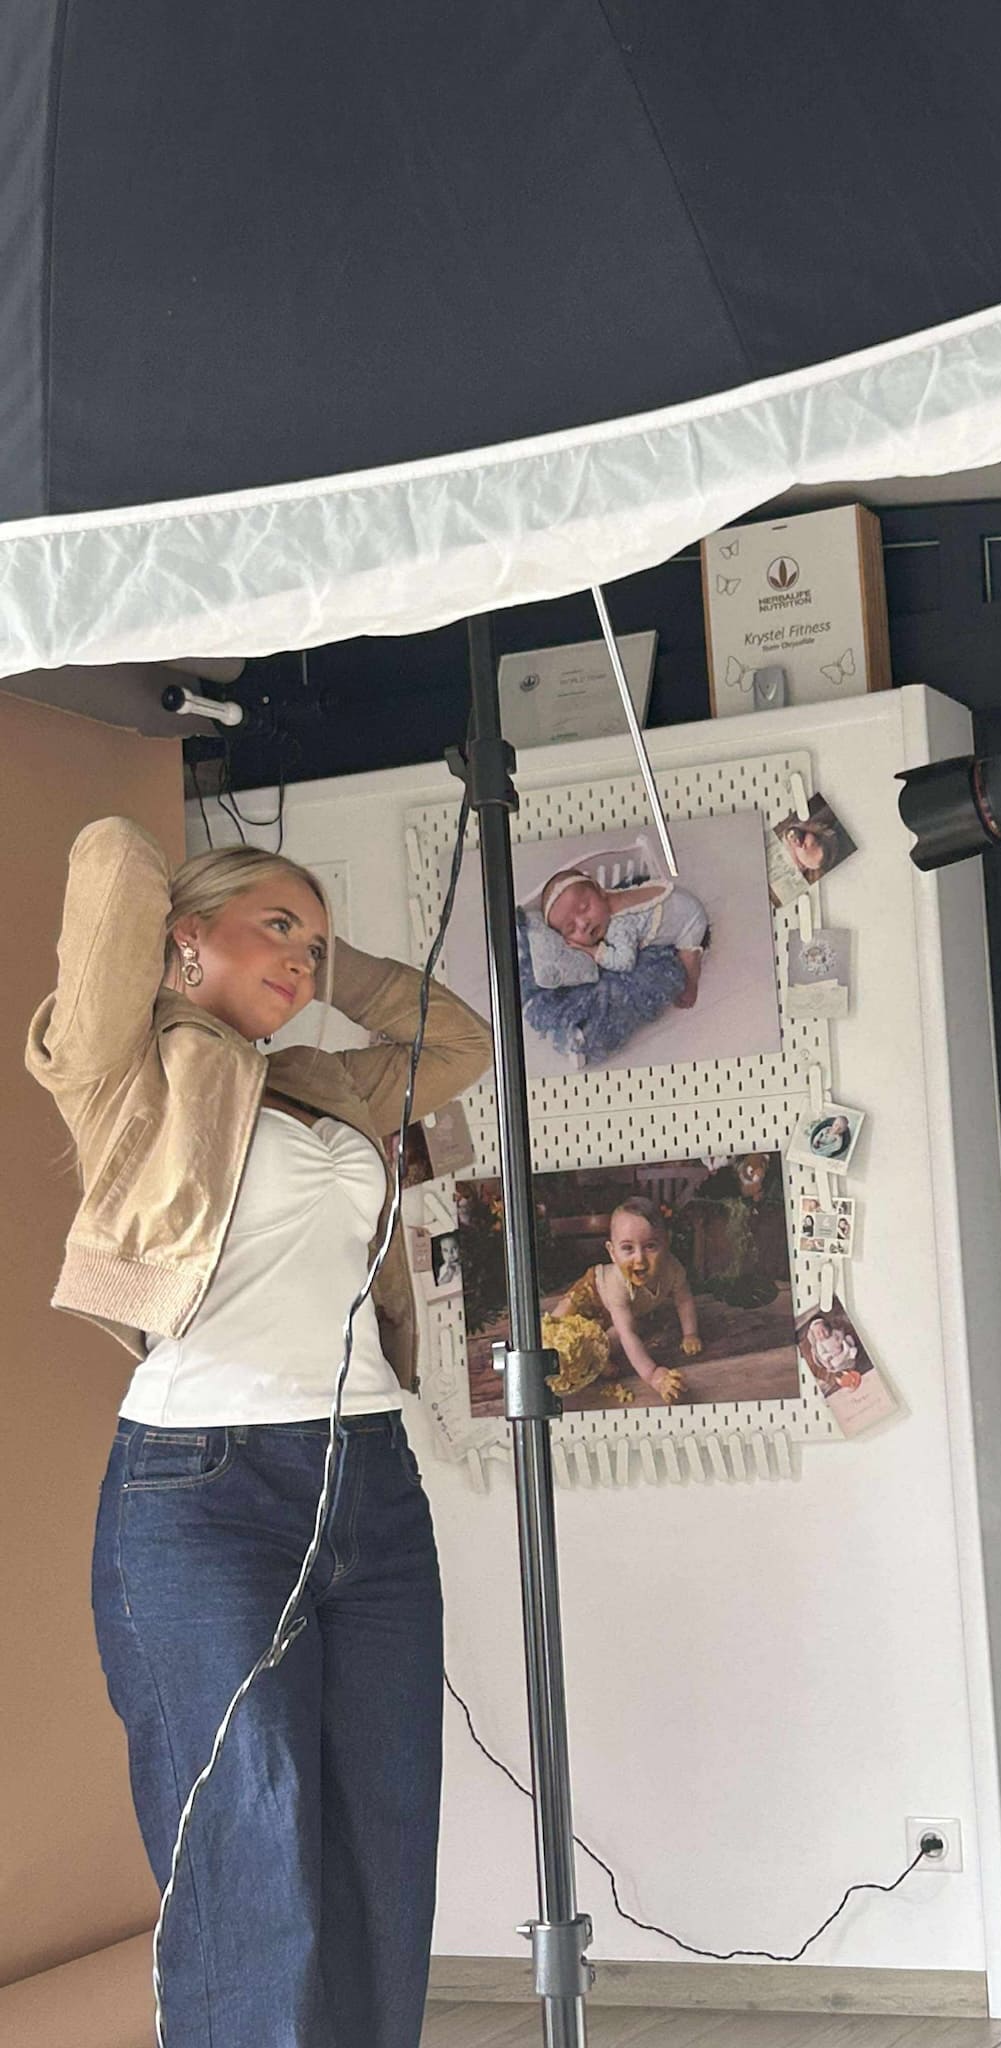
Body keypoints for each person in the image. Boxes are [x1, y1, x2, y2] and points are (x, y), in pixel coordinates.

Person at [25, 818, 492, 2048]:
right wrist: (184, 932)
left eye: (316, 938)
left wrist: (326, 969)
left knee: (378, 1837)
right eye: (275, 926)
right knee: (247, 1841)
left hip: (368, 1479)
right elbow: (114, 858)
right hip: (204, 1486)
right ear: (186, 939)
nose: (301, 954)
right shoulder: (122, 1064)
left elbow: (459, 1041)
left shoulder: (320, 1087)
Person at [548, 1195, 702, 1403]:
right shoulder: (618, 1285)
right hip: (593, 1292)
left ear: (667, 1243)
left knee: (612, 1336)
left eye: (650, 1246)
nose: (639, 1259)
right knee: (556, 1328)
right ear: (612, 1253)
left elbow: (684, 1301)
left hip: (619, 1315)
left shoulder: (673, 1269)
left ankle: (597, 1358)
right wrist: (653, 1374)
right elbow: (628, 1334)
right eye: (627, 1248)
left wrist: (690, 1333)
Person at [537, 866, 710, 1007]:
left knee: (687, 957)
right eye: (571, 928)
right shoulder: (607, 899)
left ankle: (691, 986)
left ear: (599, 890)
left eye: (584, 908)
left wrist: (592, 950)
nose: (583, 924)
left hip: (690, 920)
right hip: (680, 899)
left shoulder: (618, 927)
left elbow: (625, 962)